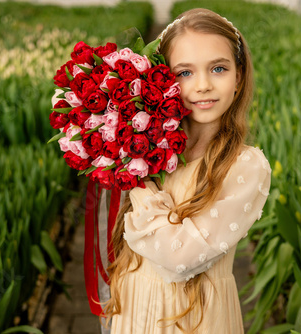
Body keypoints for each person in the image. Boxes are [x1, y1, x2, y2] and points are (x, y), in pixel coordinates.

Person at [103, 8, 272, 333]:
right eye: (185, 73)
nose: (204, 85)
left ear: (238, 77)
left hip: (195, 321)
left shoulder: (245, 165)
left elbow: (177, 258)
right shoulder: (151, 149)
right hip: (136, 311)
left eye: (218, 68)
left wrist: (134, 177)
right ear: (162, 80)